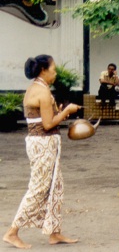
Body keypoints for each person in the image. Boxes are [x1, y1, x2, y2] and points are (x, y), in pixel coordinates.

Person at [3, 55, 81, 249]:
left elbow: (42, 119)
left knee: (56, 186)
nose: (55, 73)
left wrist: (58, 112)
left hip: (42, 143)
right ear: (43, 71)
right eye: (53, 69)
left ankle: (54, 232)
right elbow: (47, 124)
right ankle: (12, 232)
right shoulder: (42, 92)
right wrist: (66, 112)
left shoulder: (36, 88)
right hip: (43, 143)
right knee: (38, 188)